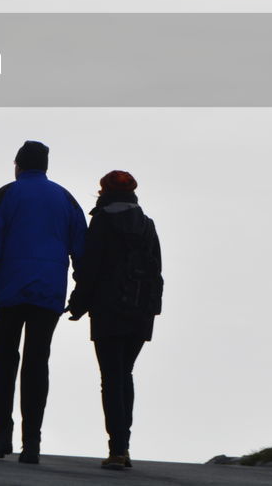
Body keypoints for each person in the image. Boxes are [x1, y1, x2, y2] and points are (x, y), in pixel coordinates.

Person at [0, 140, 87, 465]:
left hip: (11, 291)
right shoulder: (66, 199)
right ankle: (32, 442)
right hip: (49, 293)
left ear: (18, 165)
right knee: (37, 362)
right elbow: (83, 252)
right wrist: (81, 294)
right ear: (45, 167)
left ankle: (1, 434)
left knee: (2, 357)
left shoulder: (5, 195)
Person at [66, 170, 163, 471]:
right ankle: (124, 446)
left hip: (109, 311)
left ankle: (117, 448)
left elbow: (90, 268)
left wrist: (77, 305)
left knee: (111, 377)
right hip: (140, 312)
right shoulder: (147, 225)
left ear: (104, 192)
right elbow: (156, 271)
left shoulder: (101, 222)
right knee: (126, 374)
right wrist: (152, 309)